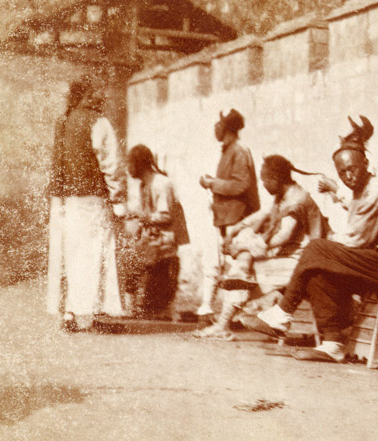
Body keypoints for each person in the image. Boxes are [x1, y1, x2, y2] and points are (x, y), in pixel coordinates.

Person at [253, 116, 378, 363]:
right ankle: (333, 343)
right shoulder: (361, 191)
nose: (348, 176)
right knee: (317, 270)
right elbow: (355, 230)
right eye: (342, 172)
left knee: (315, 249)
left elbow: (355, 239)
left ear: (365, 163)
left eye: (352, 168)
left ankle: (283, 312)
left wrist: (326, 245)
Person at [195, 154, 326, 339]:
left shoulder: (296, 199)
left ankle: (223, 324)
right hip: (288, 258)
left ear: (275, 179)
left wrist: (246, 247)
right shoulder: (285, 194)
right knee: (245, 268)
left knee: (247, 269)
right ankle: (225, 318)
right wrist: (236, 229)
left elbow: (283, 236)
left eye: (265, 180)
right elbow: (263, 214)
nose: (263, 185)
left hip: (303, 261)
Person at [46, 75, 125, 330]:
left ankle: (69, 312)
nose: (102, 97)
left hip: (66, 201)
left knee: (70, 253)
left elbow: (57, 164)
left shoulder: (63, 122)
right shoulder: (99, 123)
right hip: (93, 200)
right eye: (97, 92)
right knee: (98, 253)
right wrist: (117, 197)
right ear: (87, 95)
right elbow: (111, 164)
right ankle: (97, 314)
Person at [196, 108, 260, 321]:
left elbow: (242, 185)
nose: (216, 127)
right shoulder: (228, 150)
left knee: (237, 266)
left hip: (238, 217)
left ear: (227, 128)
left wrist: (212, 183)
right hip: (224, 216)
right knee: (215, 261)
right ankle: (207, 307)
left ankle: (233, 314)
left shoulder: (239, 151)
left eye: (220, 124)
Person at [120, 144, 189, 319]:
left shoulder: (161, 183)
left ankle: (134, 308)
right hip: (152, 239)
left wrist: (140, 216)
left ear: (139, 163)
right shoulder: (145, 185)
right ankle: (132, 307)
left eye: (130, 164)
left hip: (164, 240)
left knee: (133, 259)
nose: (128, 169)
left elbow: (165, 217)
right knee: (129, 256)